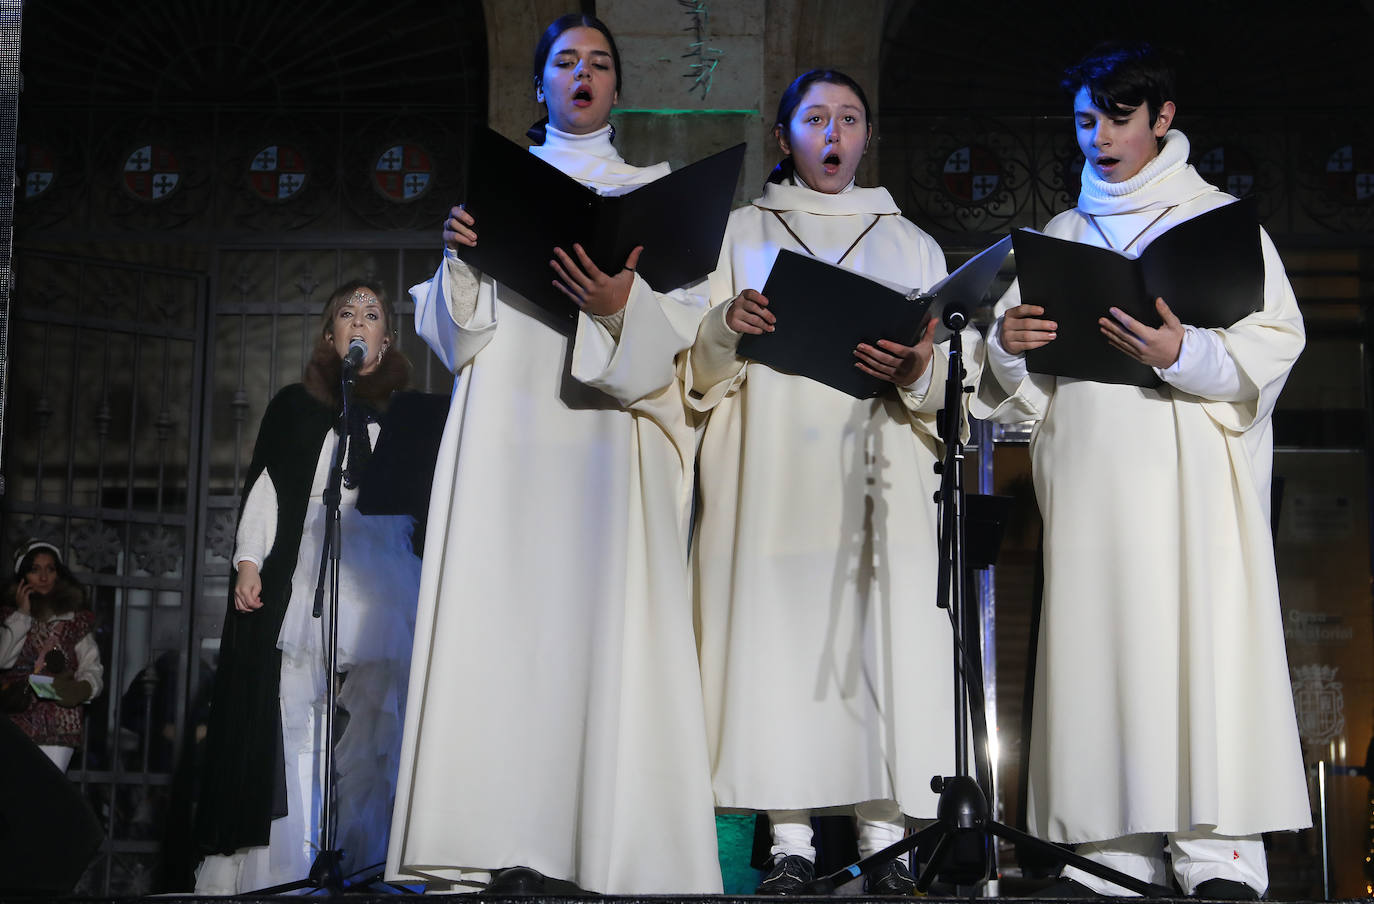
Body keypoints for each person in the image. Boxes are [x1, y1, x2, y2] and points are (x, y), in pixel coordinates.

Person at [385, 13, 720, 896]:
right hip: (509, 433)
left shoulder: (656, 192)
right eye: (565, 62)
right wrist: (459, 259)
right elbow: (454, 338)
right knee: (504, 621)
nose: (583, 75)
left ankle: (609, 851)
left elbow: (682, 347)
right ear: (538, 84)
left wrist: (619, 303)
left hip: (607, 439)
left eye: (600, 63)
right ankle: (478, 843)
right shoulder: (499, 187)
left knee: (602, 627)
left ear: (618, 87)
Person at [974, 41, 1308, 899]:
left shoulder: (1222, 221)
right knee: (1104, 647)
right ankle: (1109, 845)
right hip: (1095, 482)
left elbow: (1273, 346)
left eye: (1119, 118)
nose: (1100, 137)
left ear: (1162, 119)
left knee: (1204, 644)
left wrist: (1182, 350)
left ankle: (1216, 853)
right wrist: (1008, 351)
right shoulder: (1059, 235)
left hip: (1192, 477)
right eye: (1086, 120)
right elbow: (1018, 395)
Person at [687, 68, 975, 896]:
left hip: (874, 464)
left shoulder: (909, 241)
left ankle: (887, 839)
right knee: (780, 649)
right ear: (785, 138)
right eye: (816, 119)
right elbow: (693, 365)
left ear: (866, 137)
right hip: (769, 470)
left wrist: (918, 366)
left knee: (873, 643)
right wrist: (723, 326)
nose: (834, 135)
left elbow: (946, 374)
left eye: (850, 119)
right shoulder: (738, 232)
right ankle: (790, 845)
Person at [194, 280, 422, 893]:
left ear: (385, 338)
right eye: (347, 313)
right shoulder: (295, 406)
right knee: (298, 714)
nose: (359, 321)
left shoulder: (404, 416)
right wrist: (247, 560)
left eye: (372, 315)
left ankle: (368, 857)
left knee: (379, 724)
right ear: (331, 336)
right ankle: (293, 861)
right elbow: (269, 488)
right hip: (307, 584)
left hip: (382, 589)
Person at [0, 540, 102, 772]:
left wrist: (84, 688)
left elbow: (91, 664)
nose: (43, 577)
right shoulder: (9, 616)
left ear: (59, 573)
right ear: (23, 575)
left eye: (50, 569)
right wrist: (22, 614)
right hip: (17, 714)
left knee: (49, 794)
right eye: (35, 569)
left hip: (61, 721)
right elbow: (3, 659)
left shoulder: (76, 619)